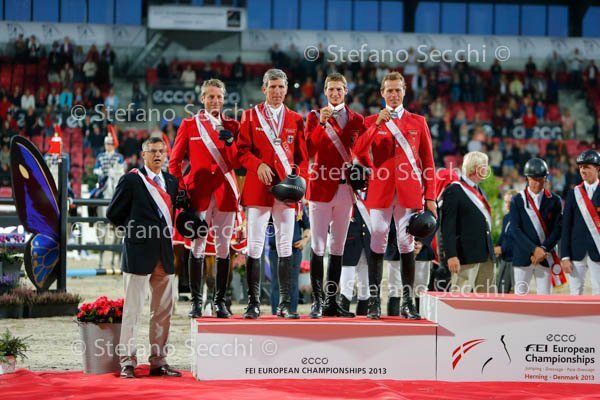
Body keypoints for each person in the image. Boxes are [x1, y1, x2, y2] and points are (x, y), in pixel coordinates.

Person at [353, 71, 437, 319]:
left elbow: (428, 162)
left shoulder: (418, 121)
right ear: (382, 93)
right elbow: (358, 151)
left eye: (398, 90)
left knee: (405, 242)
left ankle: (407, 302)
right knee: (378, 239)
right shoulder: (371, 121)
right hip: (380, 189)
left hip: (409, 191)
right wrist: (376, 125)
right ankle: (374, 302)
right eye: (389, 90)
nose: (394, 94)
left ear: (404, 92)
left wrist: (430, 196)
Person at [106, 137, 181, 379]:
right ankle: (127, 361)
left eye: (161, 151)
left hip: (164, 254)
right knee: (133, 310)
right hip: (138, 252)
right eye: (152, 151)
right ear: (143, 154)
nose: (157, 155)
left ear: (166, 154)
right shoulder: (131, 180)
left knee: (163, 312)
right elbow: (113, 213)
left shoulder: (172, 182)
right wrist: (135, 232)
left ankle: (159, 362)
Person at [237, 68, 309, 319]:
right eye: (272, 87)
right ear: (264, 89)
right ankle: (253, 304)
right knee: (255, 246)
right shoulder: (250, 116)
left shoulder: (295, 119)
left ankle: (285, 305)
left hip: (287, 192)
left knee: (285, 246)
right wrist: (258, 165)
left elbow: (302, 158)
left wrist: (300, 185)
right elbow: (241, 151)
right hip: (259, 188)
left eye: (281, 87)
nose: (277, 91)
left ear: (286, 89)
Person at [169, 79, 241, 318]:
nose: (215, 101)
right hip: (198, 194)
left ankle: (219, 302)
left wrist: (231, 143)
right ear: (202, 99)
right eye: (211, 97)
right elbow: (174, 161)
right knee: (197, 246)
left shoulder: (232, 126)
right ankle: (196, 302)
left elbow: (238, 162)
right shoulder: (189, 125)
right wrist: (180, 188)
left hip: (226, 192)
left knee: (223, 247)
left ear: (224, 99)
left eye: (219, 97)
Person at [304, 72, 369, 318]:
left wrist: (365, 169)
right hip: (320, 188)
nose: (335, 93)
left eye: (339, 89)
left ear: (346, 91)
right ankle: (317, 302)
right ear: (325, 92)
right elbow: (309, 149)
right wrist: (321, 124)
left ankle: (331, 301)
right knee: (318, 246)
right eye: (331, 89)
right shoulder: (313, 117)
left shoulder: (357, 119)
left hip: (345, 189)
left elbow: (362, 151)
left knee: (338, 247)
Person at [440, 151, 496, 293]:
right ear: (475, 168)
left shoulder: (480, 191)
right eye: (485, 165)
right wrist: (451, 255)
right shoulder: (454, 190)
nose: (487, 169)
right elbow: (447, 226)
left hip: (486, 255)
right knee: (460, 295)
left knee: (487, 298)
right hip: (465, 255)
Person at [510, 158, 563, 295]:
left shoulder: (555, 200)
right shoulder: (517, 200)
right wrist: (533, 250)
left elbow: (557, 229)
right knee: (520, 298)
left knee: (545, 298)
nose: (537, 183)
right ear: (527, 178)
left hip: (545, 256)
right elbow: (515, 229)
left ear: (546, 179)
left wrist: (543, 249)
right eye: (534, 179)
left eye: (541, 179)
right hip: (523, 255)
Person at [561, 149, 600, 295]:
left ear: (597, 168)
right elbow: (566, 226)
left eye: (587, 167)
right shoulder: (573, 193)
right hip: (576, 252)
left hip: (598, 250)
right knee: (575, 294)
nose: (583, 170)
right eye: (581, 167)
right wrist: (565, 256)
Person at [267, 203, 311, 315]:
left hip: (294, 249)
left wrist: (305, 240)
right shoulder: (272, 204)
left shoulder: (298, 205)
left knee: (293, 283)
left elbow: (307, 226)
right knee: (276, 283)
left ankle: (292, 311)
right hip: (275, 250)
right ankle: (276, 313)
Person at [339, 191, 371, 316]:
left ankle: (363, 317)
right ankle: (343, 315)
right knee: (346, 286)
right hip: (349, 244)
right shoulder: (345, 192)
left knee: (365, 288)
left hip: (367, 244)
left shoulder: (370, 193)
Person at [496, 189, 517, 293]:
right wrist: (497, 247)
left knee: (516, 291)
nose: (507, 205)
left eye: (510, 202)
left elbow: (515, 239)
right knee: (500, 289)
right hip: (504, 259)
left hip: (515, 260)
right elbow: (503, 236)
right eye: (506, 202)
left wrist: (502, 249)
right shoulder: (506, 217)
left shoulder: (520, 218)